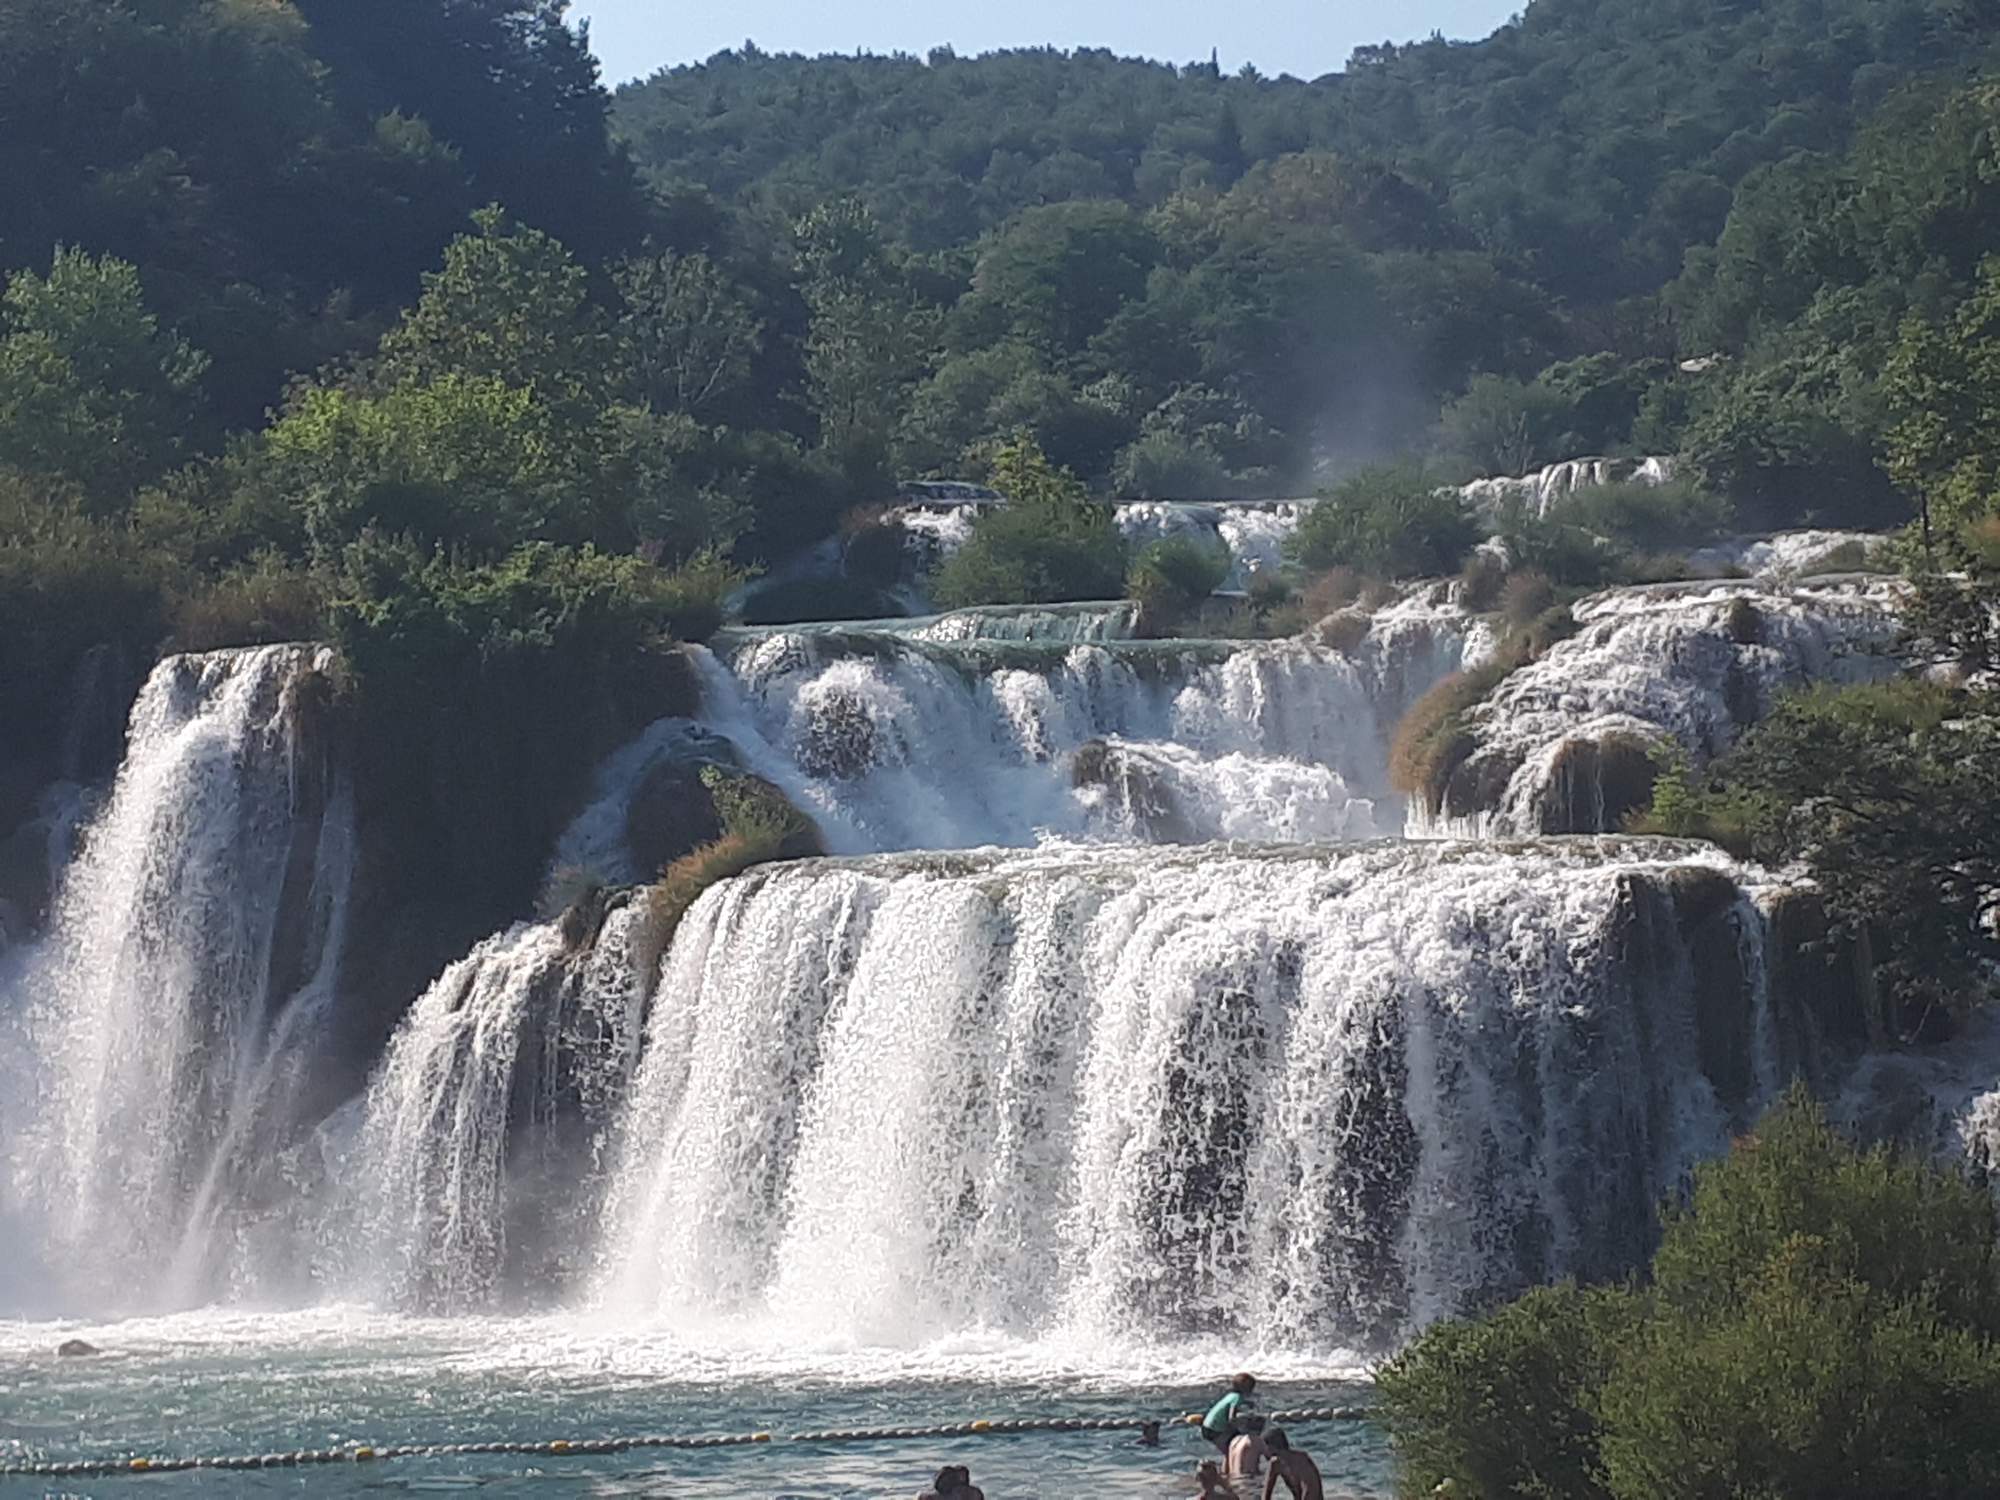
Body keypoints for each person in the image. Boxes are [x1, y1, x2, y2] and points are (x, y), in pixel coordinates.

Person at [1200, 1371, 1256, 1453]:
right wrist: (1241, 1426)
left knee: (1228, 1450)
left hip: (1206, 1426)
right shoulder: (1237, 1398)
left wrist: (1248, 1403)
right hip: (1215, 1430)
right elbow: (1231, 1418)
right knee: (1232, 1449)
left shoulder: (1231, 1395)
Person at [1260, 1429, 1324, 1500]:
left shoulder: (1302, 1462)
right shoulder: (1275, 1464)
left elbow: (1311, 1491)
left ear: (1272, 1446)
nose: (1262, 1451)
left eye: (1264, 1446)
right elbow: (1266, 1495)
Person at [1226, 1414, 1269, 1484]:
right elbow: (1273, 1458)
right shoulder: (1255, 1440)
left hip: (1233, 1481)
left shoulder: (1234, 1440)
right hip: (1248, 1481)